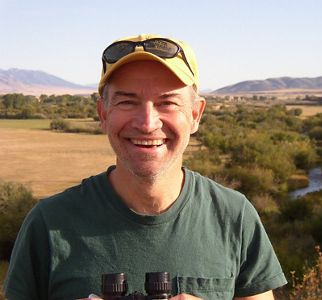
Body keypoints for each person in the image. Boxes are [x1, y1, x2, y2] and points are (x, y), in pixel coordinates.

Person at [4, 34, 287, 300]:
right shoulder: (49, 223)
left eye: (168, 103)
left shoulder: (233, 215)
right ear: (103, 114)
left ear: (195, 114)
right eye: (127, 102)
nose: (147, 123)